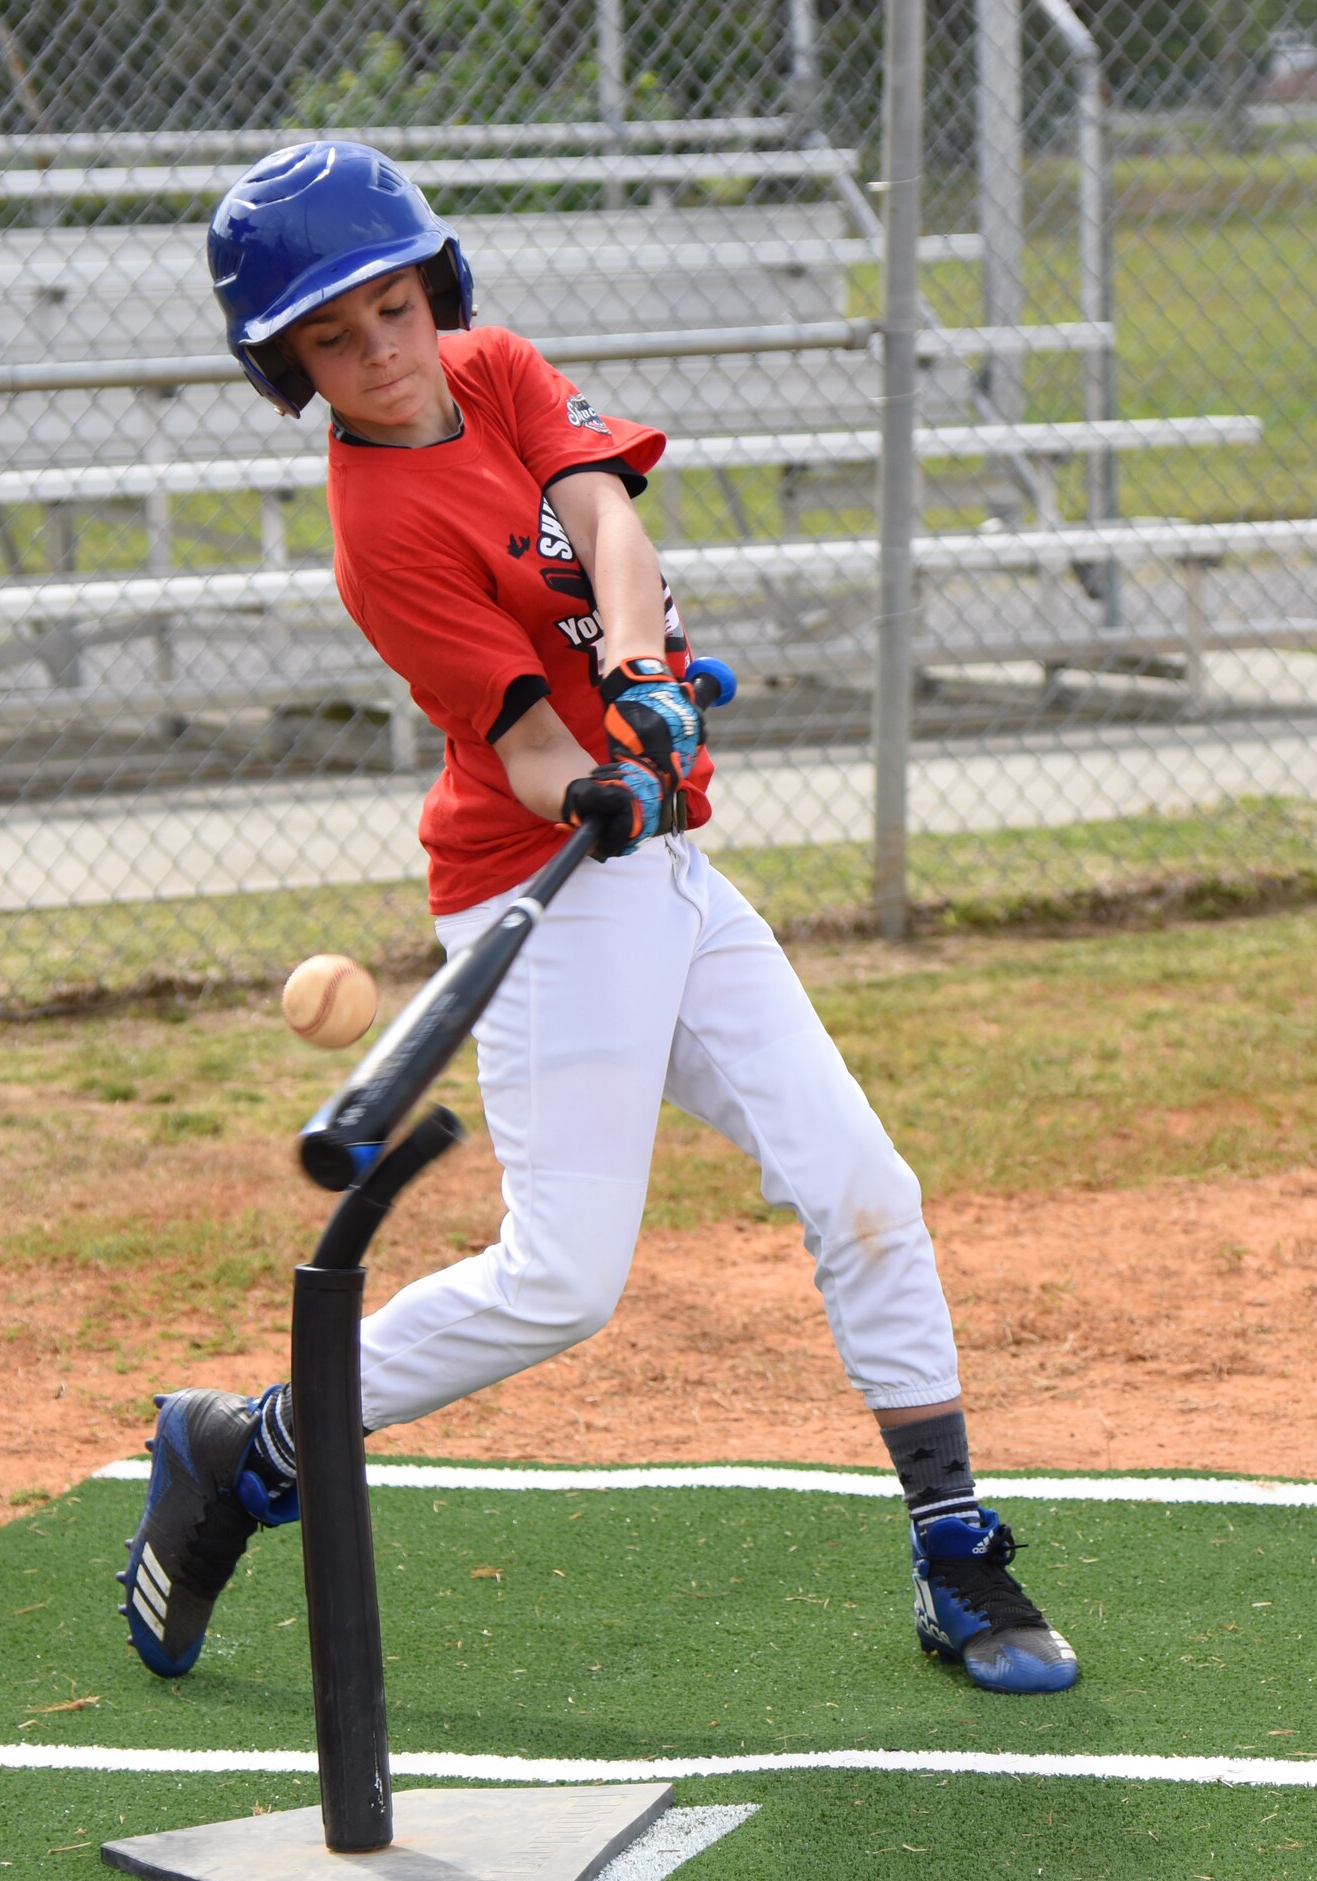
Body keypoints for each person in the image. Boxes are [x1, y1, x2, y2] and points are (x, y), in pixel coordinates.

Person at [117, 142, 1076, 1698]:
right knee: (561, 1279)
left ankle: (957, 1554)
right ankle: (248, 1447)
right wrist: (594, 787)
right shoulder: (380, 531)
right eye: (329, 337)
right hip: (539, 895)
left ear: (433, 286)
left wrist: (638, 675)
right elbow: (525, 752)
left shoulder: (493, 368)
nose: (377, 350)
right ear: (286, 367)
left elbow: (605, 522)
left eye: (390, 306)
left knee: (862, 1187)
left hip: (672, 882)